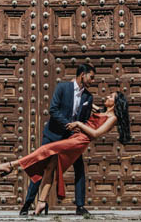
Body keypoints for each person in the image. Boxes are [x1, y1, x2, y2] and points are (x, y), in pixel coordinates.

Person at [0, 90, 132, 216]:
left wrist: (79, 124)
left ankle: (11, 165)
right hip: (75, 138)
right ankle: (42, 202)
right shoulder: (101, 110)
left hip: (80, 141)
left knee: (45, 149)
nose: (107, 97)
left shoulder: (113, 118)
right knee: (50, 166)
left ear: (116, 103)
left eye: (111, 97)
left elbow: (96, 134)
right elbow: (85, 102)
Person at [14, 63, 96, 216]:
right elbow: (53, 109)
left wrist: (79, 130)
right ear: (82, 74)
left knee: (79, 169)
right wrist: (68, 124)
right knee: (41, 168)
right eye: (91, 77)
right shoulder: (62, 88)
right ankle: (28, 204)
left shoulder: (88, 97)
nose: (93, 81)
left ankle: (80, 206)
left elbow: (84, 120)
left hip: (71, 140)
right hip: (53, 135)